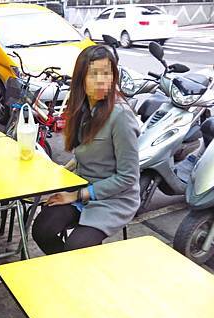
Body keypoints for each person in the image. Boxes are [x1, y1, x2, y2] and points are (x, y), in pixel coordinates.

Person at [31, 45, 140, 255]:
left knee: (77, 248)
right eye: (93, 74)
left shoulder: (120, 116)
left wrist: (77, 195)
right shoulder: (82, 107)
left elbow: (128, 177)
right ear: (81, 78)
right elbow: (82, 156)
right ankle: (73, 270)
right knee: (42, 229)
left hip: (114, 199)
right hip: (82, 188)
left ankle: (82, 273)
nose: (101, 81)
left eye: (107, 73)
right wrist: (61, 178)